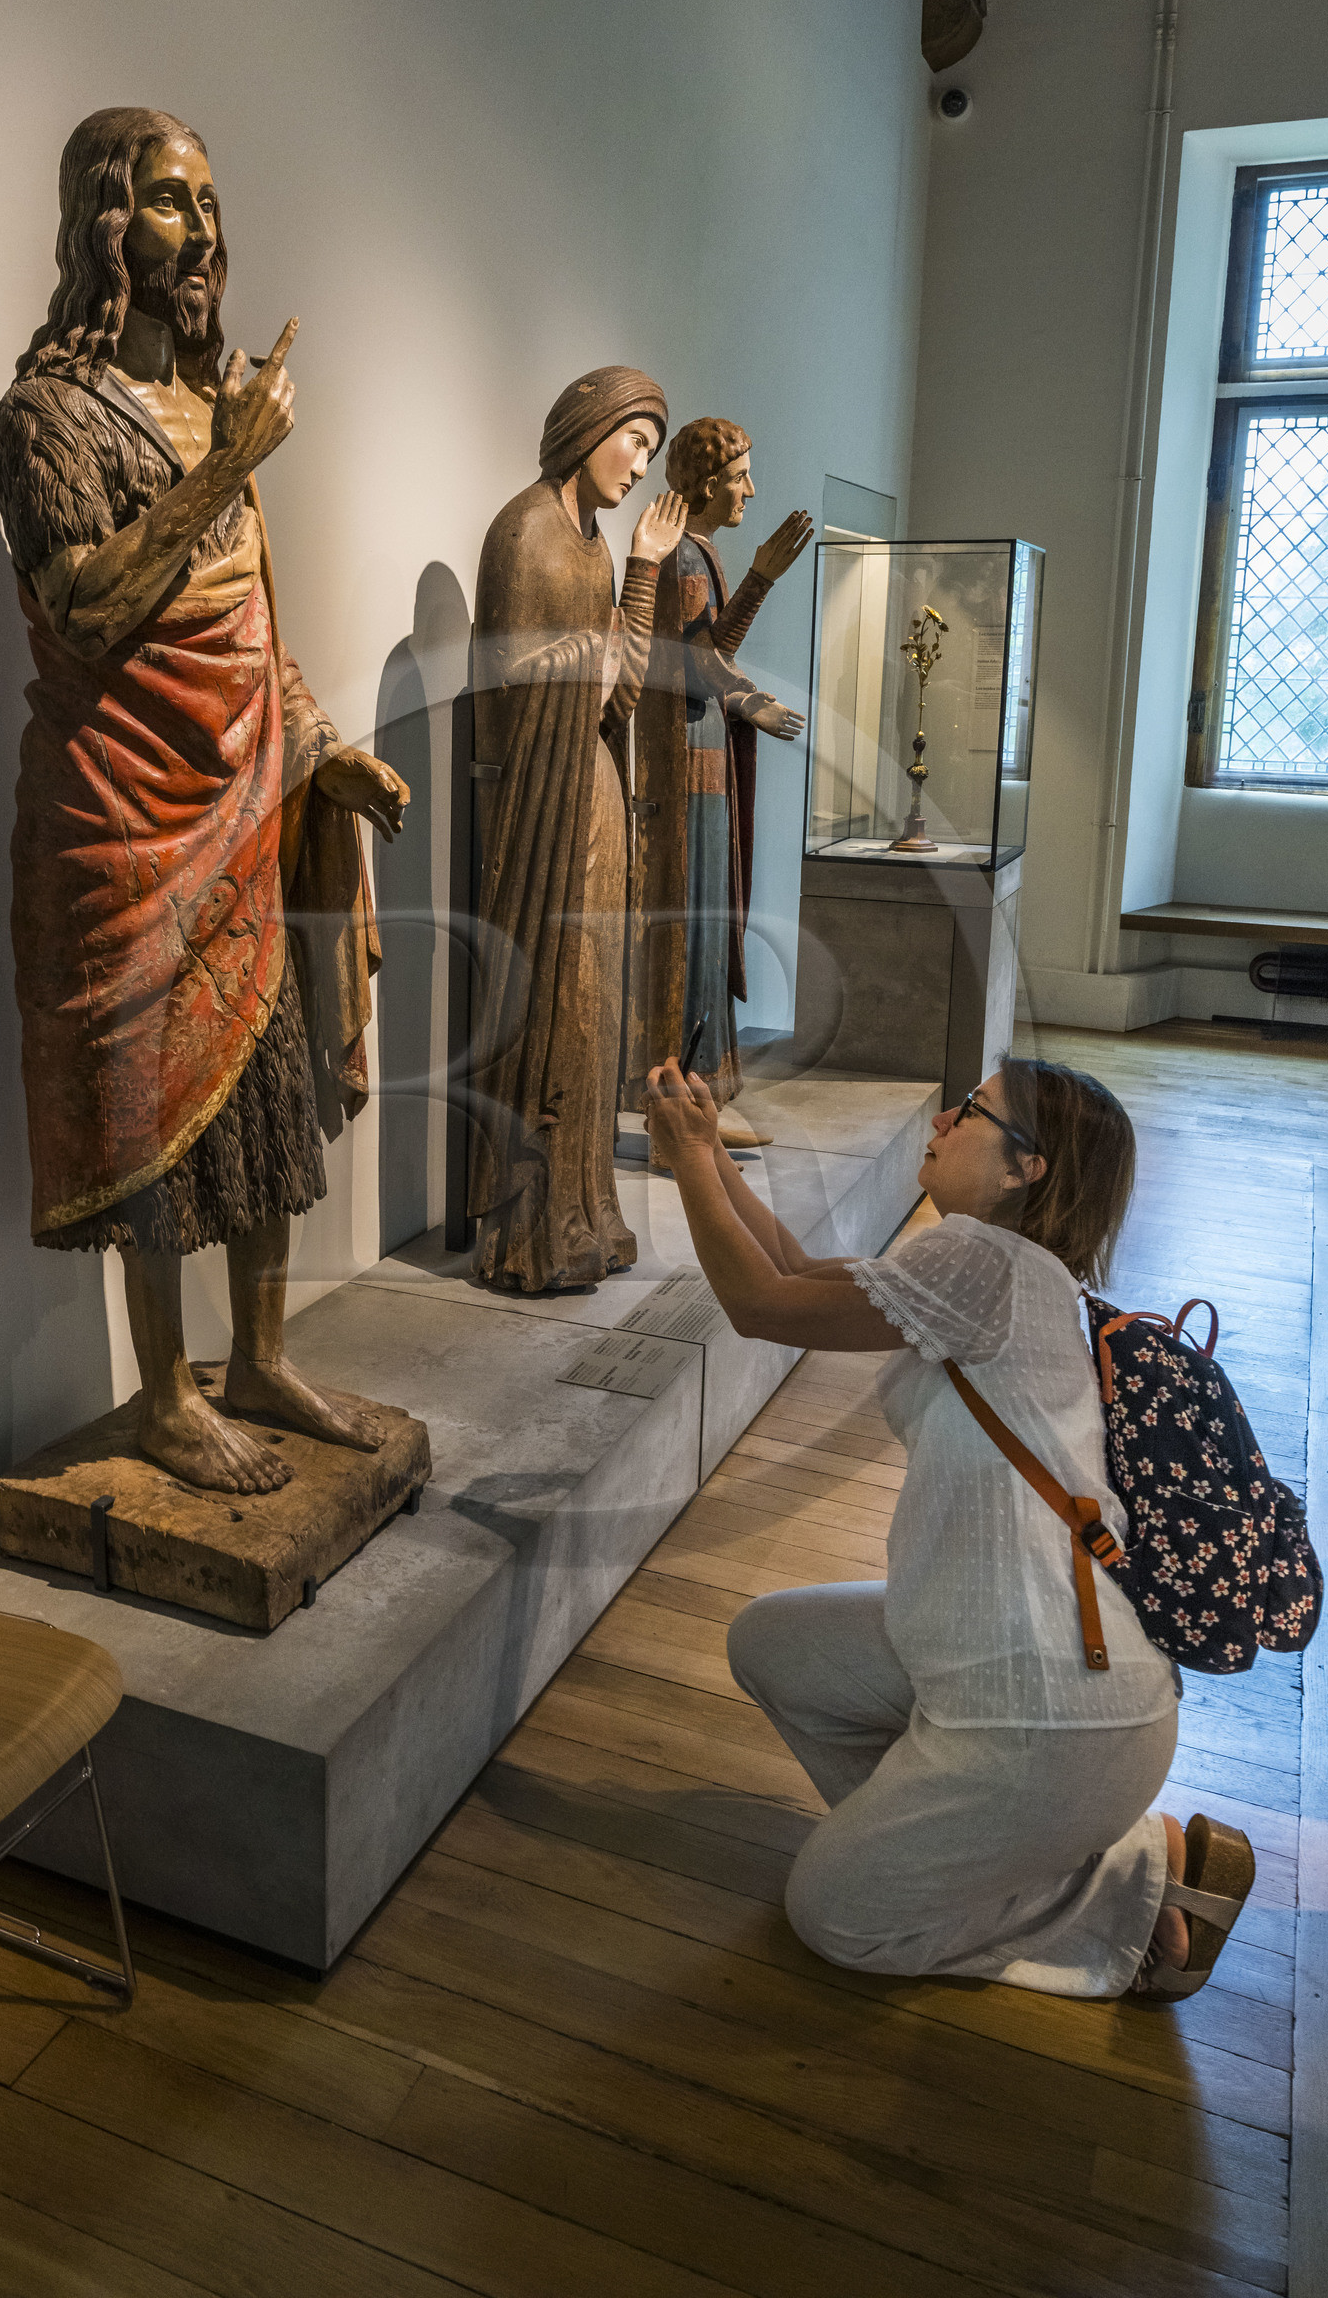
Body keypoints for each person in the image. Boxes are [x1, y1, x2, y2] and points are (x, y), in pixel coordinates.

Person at [0, 107, 409, 1495]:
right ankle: (166, 1393)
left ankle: (263, 1358)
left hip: (237, 809)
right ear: (107, 225)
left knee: (264, 1092)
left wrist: (322, 748)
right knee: (151, 1111)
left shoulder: (213, 398)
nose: (205, 232)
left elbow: (250, 635)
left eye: (213, 203)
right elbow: (91, 604)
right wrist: (232, 462)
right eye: (172, 202)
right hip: (119, 821)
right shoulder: (45, 418)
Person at [643, 1051, 1256, 2001]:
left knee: (834, 1917)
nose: (940, 1120)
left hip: (1053, 1712)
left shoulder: (983, 1260)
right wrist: (707, 1145)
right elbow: (797, 1271)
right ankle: (980, 1844)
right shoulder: (1011, 1274)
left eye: (969, 1113)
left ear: (1026, 1170)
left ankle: (1130, 1900)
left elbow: (762, 1304)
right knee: (776, 1643)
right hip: (1035, 1681)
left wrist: (685, 1158)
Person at [466, 368, 687, 1292]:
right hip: (540, 799)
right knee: (554, 1007)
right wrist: (595, 652)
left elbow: (621, 691)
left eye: (651, 448)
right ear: (588, 430)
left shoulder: (594, 548)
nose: (641, 464)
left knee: (595, 1005)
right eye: (635, 439)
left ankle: (587, 1212)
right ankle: (534, 1230)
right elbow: (509, 681)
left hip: (591, 785)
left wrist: (640, 572)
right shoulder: (524, 531)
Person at [626, 419, 811, 1123]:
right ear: (706, 484)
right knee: (694, 926)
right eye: (739, 478)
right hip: (683, 759)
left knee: (708, 920)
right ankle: (682, 1103)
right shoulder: (677, 558)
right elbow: (690, 665)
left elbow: (713, 646)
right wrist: (750, 700)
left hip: (703, 754)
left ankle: (699, 1100)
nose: (750, 491)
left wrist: (760, 575)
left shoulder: (698, 554)